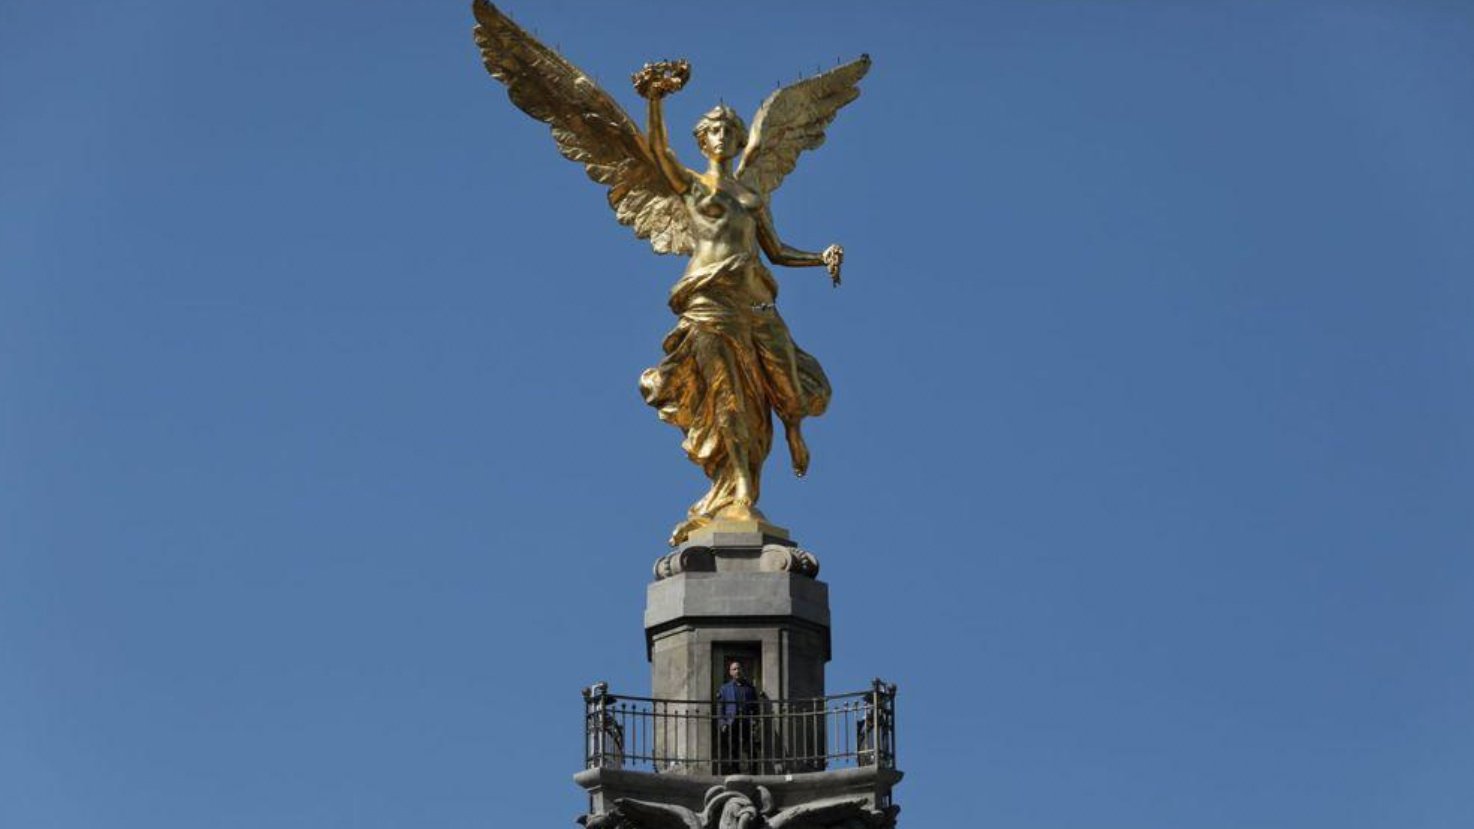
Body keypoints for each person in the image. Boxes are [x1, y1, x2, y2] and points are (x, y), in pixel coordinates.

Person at [715, 661, 761, 774]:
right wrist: (723, 723)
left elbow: (755, 706)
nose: (737, 671)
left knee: (750, 749)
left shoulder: (750, 688)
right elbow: (720, 708)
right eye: (734, 669)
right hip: (732, 723)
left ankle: (752, 773)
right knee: (733, 749)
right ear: (730, 672)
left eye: (739, 668)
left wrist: (755, 721)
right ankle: (735, 773)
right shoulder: (725, 688)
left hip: (747, 723)